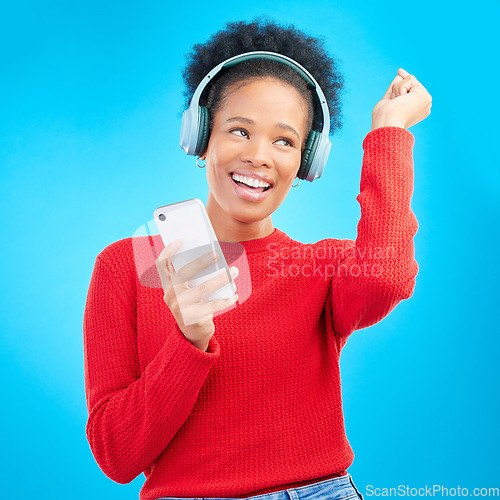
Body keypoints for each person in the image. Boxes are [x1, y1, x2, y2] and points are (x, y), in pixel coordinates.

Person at [83, 17, 432, 500]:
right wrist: (188, 342)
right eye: (239, 131)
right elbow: (117, 456)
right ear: (200, 135)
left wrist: (389, 132)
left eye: (285, 140)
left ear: (307, 162)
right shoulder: (125, 266)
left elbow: (389, 277)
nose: (260, 156)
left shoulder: (320, 269)